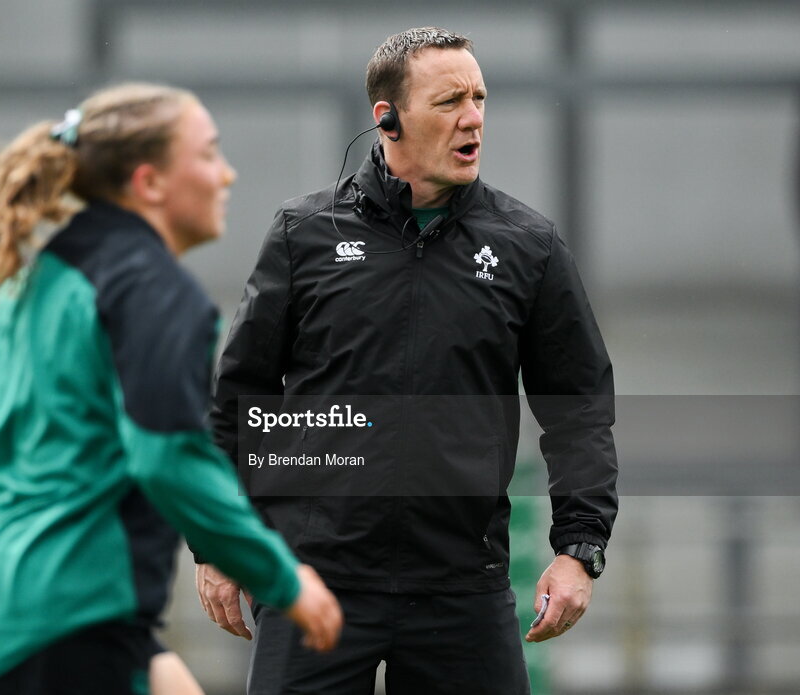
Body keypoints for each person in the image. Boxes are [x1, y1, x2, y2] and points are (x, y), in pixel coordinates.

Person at [195, 27, 618, 694]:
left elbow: (580, 408)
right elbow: (237, 400)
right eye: (450, 100)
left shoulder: (529, 246)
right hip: (313, 582)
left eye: (479, 97)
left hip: (463, 590)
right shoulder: (303, 235)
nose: (473, 116)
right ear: (387, 119)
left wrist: (578, 547)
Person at [0, 82, 342, 695]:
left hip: (1, 619)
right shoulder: (154, 290)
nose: (227, 175)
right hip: (72, 622)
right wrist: (284, 578)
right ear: (150, 183)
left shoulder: (20, 280)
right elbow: (167, 456)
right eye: (208, 155)